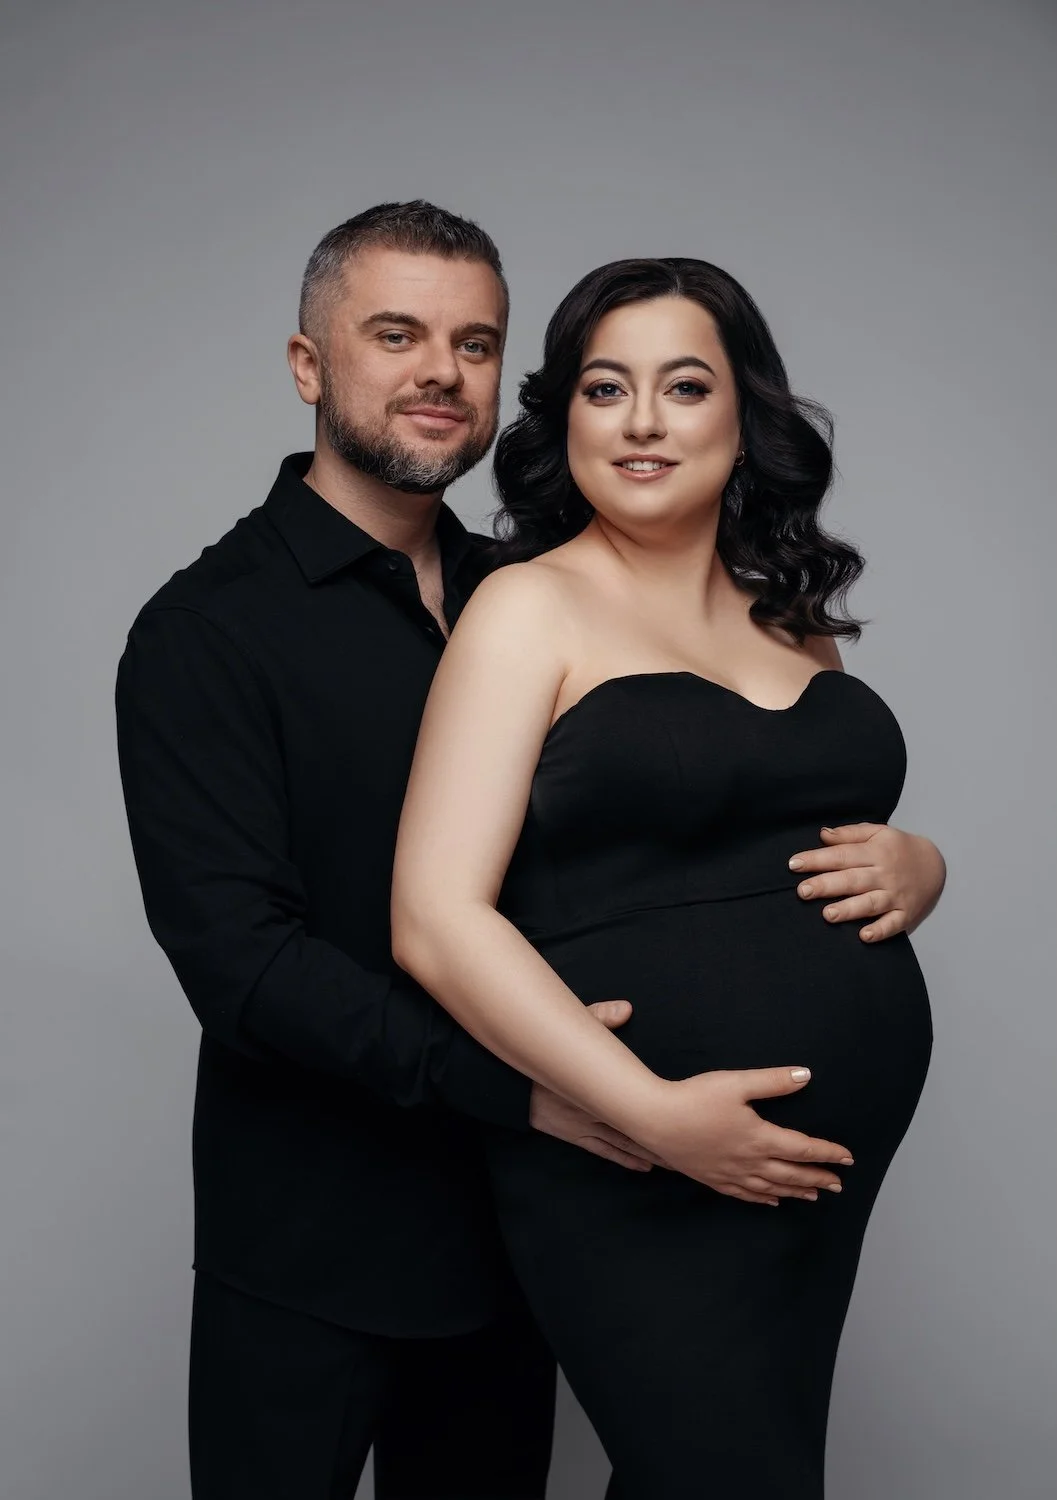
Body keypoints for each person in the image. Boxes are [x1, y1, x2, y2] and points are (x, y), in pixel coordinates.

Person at [117, 204, 943, 1499]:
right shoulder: (208, 633)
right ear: (307, 364)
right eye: (396, 334)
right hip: (327, 1225)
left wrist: (915, 862)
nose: (440, 370)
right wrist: (562, 1094)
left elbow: (699, 830)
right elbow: (249, 963)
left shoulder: (542, 576)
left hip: (521, 1215)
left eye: (474, 341)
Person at [391, 256, 937, 1498]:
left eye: (682, 387)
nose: (641, 422)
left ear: (742, 418)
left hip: (812, 1172)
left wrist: (924, 863)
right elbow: (434, 915)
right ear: (565, 420)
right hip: (630, 1159)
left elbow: (810, 829)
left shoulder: (790, 619)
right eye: (604, 388)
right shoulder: (528, 609)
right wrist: (651, 1116)